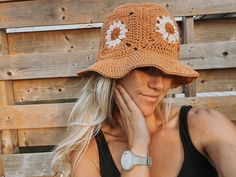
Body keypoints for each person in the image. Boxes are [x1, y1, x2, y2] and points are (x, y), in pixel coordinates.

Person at [51, 3, 236, 177]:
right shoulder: (88, 152)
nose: (159, 84)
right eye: (146, 68)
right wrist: (138, 147)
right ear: (113, 73)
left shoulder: (203, 125)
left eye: (166, 71)